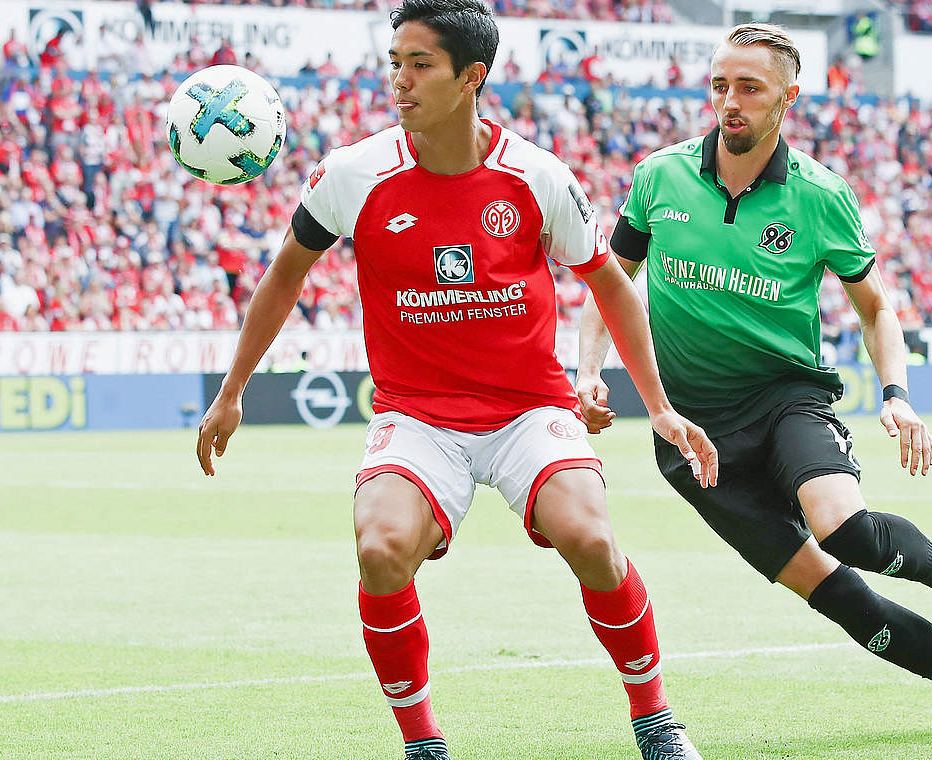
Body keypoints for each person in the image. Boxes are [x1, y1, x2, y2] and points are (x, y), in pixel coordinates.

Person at [195, 2, 717, 759]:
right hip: (416, 416)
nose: (400, 81)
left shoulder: (537, 175)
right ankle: (423, 744)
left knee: (590, 538)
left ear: (472, 77)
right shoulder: (352, 173)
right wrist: (233, 387)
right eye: (395, 62)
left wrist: (659, 407)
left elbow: (610, 284)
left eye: (420, 65)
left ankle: (656, 719)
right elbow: (284, 276)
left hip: (527, 410)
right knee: (380, 548)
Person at [576, 23, 932, 737]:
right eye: (721, 85)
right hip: (690, 434)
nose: (730, 101)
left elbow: (876, 307)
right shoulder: (658, 177)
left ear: (788, 98)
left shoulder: (821, 196)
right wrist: (587, 372)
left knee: (844, 529)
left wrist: (898, 396)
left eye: (749, 88)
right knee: (843, 598)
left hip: (784, 397)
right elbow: (610, 284)